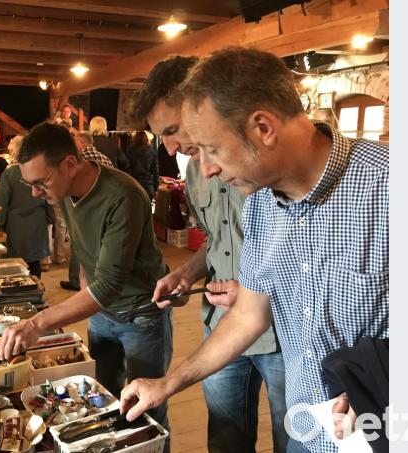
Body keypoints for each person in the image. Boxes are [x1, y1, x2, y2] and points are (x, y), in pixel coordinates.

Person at [119, 47, 389, 453]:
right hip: (309, 431)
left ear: (263, 127)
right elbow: (249, 313)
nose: (206, 168)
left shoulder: (389, 186)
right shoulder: (262, 203)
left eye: (211, 148)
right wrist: (168, 383)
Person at [129, 54, 287, 453]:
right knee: (225, 437)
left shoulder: (265, 166)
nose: (169, 146)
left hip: (281, 333)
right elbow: (215, 238)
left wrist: (253, 292)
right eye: (159, 137)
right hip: (221, 323)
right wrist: (188, 273)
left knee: (294, 439)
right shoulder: (197, 170)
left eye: (172, 130)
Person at [0, 123, 172, 448]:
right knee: (102, 401)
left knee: (146, 410)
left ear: (69, 164)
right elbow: (83, 248)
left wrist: (38, 323)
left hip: (141, 315)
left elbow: (108, 284)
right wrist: (85, 297)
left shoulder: (124, 195)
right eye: (29, 184)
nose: (35, 192)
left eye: (40, 182)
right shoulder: (62, 191)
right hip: (102, 314)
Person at [60, 131, 114, 291]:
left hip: (83, 210)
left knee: (79, 245)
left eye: (75, 142)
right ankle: (95, 279)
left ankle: (76, 281)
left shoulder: (76, 161)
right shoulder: (105, 158)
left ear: (82, 143)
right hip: (106, 210)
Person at [0, 136, 53, 278]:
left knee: (16, 265)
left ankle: (22, 295)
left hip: (17, 226)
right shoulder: (41, 170)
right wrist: (50, 218)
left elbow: (2, 203)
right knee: (34, 263)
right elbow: (49, 196)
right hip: (37, 221)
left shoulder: (9, 173)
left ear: (13, 152)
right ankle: (37, 293)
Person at [124, 131, 159, 200]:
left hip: (134, 183)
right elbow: (155, 170)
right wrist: (155, 187)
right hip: (148, 184)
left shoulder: (130, 150)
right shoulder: (151, 151)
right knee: (148, 208)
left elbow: (127, 167)